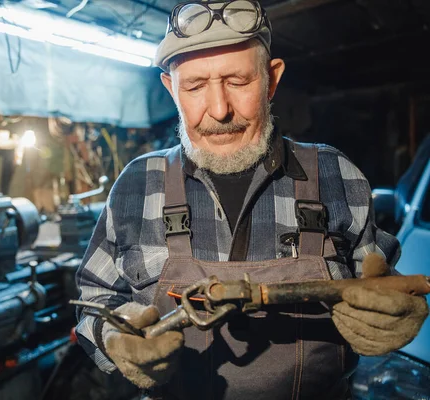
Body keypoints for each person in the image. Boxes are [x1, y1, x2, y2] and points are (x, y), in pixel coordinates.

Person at [75, 1, 429, 399]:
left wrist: (396, 312)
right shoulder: (136, 185)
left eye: (238, 82)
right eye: (194, 87)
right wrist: (116, 336)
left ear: (271, 79)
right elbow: (94, 300)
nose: (220, 110)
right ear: (171, 89)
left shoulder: (337, 174)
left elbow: (386, 289)